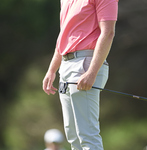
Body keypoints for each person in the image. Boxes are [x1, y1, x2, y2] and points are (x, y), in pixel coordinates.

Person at [42, 0, 118, 149]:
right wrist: (52, 70)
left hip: (86, 63)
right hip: (66, 64)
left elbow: (108, 32)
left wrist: (92, 72)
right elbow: (64, 35)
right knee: (73, 136)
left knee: (87, 135)